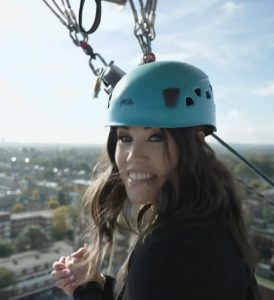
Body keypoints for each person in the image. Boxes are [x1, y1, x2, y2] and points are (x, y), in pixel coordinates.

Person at [51, 61, 261, 300]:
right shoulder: (210, 221)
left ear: (197, 143)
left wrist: (86, 291)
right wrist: (96, 284)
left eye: (155, 137)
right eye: (125, 137)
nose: (133, 155)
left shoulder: (172, 249)